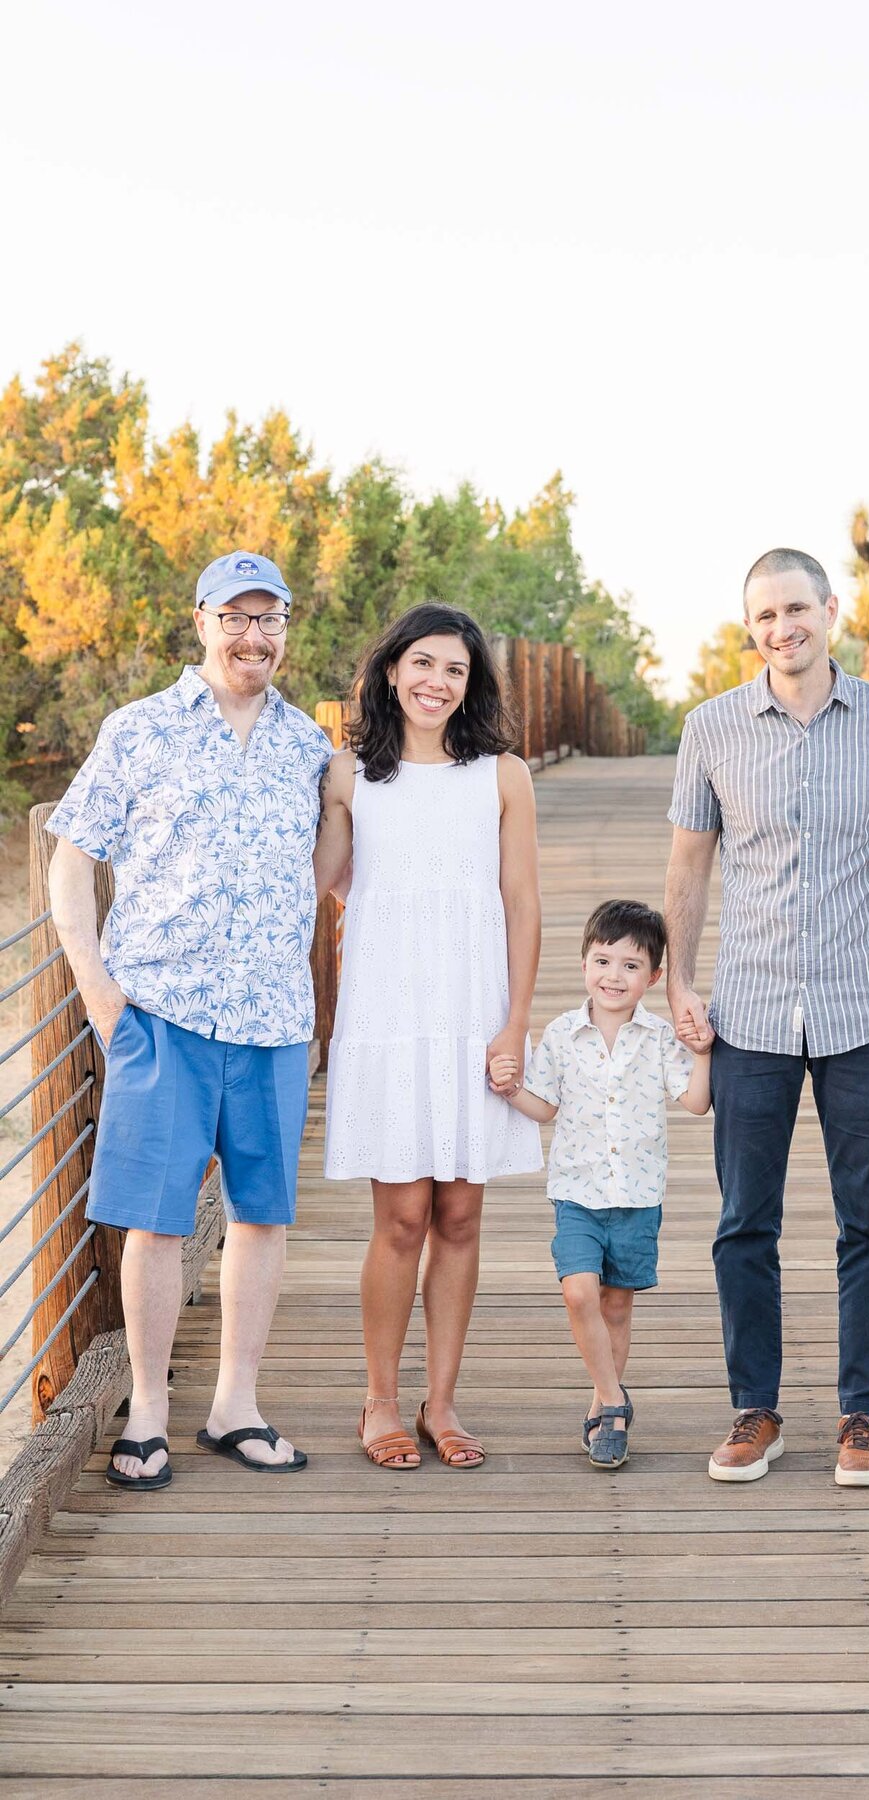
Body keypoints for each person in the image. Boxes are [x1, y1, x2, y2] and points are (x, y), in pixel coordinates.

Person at [46, 551, 333, 1490]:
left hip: (272, 1017)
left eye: (272, 620)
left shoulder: (308, 747)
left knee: (261, 1215)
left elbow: (336, 867)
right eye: (237, 617)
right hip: (160, 1012)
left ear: (286, 628)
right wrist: (97, 988)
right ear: (202, 619)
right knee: (155, 1221)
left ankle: (234, 1409)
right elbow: (69, 865)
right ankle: (150, 1417)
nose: (256, 637)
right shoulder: (138, 731)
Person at [665, 548, 869, 1487]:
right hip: (752, 1010)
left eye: (797, 609)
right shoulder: (712, 729)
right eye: (766, 615)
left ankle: (864, 1415)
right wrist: (680, 983)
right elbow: (690, 866)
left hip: (868, 1008)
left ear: (830, 608)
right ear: (752, 628)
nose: (783, 628)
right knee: (745, 1222)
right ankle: (756, 1410)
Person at [314, 603, 542, 1471]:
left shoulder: (502, 775)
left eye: (454, 669)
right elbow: (329, 883)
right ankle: (378, 1399)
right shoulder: (348, 775)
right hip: (387, 1011)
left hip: (474, 1006)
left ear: (472, 683)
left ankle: (441, 1401)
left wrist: (514, 1022)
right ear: (389, 671)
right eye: (421, 664)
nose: (436, 682)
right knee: (402, 1214)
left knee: (461, 1211)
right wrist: (328, 808)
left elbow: (522, 904)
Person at [489, 900, 712, 1468]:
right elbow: (545, 1108)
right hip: (578, 1192)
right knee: (579, 1291)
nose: (615, 976)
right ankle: (614, 1396)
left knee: (616, 1306)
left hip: (637, 1195)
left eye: (632, 966)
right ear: (585, 963)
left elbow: (694, 1101)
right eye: (604, 961)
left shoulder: (660, 1038)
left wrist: (703, 1054)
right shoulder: (563, 1034)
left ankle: (604, 1410)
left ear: (655, 977)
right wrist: (512, 1089)